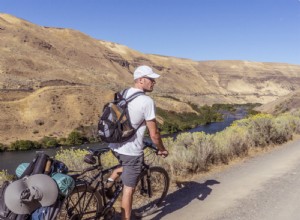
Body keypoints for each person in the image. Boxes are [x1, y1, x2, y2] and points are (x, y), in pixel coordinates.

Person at [107, 65, 169, 220]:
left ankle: (111, 179)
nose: (154, 82)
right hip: (131, 150)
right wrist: (161, 149)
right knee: (129, 189)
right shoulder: (146, 101)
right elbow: (154, 134)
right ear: (141, 80)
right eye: (151, 79)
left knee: (127, 167)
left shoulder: (123, 93)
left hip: (114, 145)